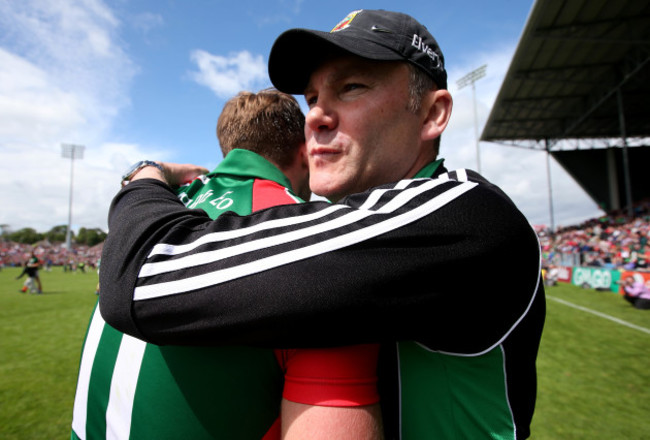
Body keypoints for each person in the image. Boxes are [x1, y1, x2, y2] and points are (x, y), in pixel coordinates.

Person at [98, 9, 545, 439]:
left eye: (350, 87)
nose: (314, 117)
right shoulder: (379, 219)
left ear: (431, 114)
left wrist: (145, 177)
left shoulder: (463, 216)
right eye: (312, 98)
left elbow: (146, 273)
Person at [72, 89, 381, 439]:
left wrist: (151, 170)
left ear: (228, 147)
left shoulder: (145, 217)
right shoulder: (312, 231)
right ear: (303, 152)